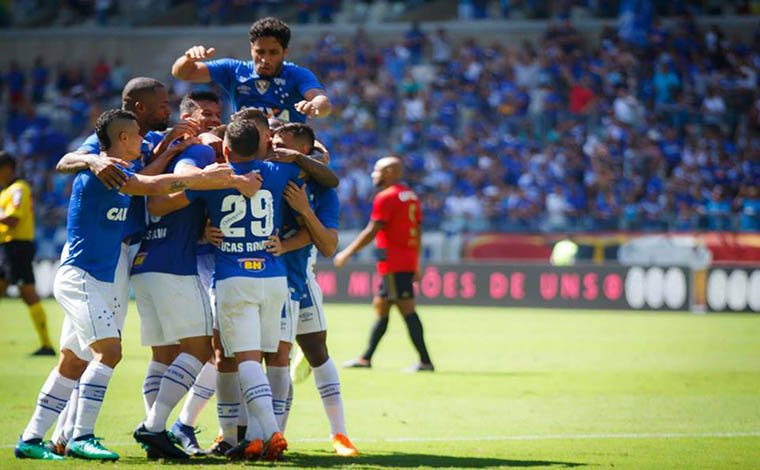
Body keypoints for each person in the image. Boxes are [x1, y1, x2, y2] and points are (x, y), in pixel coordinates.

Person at [14, 109, 235, 461]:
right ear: (122, 139)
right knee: (110, 352)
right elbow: (151, 186)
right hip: (82, 277)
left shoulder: (119, 170)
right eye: (137, 136)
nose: (142, 141)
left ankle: (30, 437)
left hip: (99, 279)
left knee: (73, 361)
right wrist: (205, 179)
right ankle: (80, 436)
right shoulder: (107, 171)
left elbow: (144, 177)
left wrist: (166, 151)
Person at [47, 76, 198, 456]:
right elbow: (66, 161)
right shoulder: (111, 140)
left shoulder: (143, 142)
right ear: (139, 108)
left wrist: (165, 148)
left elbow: (140, 180)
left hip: (122, 252)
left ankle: (59, 435)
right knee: (95, 348)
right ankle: (73, 434)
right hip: (102, 256)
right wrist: (93, 159)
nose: (169, 109)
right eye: (163, 104)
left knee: (84, 348)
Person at [131, 94, 262, 459]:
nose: (212, 120)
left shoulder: (165, 148)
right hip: (178, 263)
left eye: (218, 114)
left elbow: (157, 198)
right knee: (205, 349)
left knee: (165, 353)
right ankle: (160, 426)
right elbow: (166, 196)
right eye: (206, 113)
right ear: (187, 117)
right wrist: (230, 181)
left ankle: (157, 432)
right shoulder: (200, 153)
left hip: (147, 259)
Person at [267, 123, 359, 456]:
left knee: (316, 350)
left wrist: (303, 212)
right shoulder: (266, 175)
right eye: (272, 141)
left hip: (301, 279)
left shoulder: (322, 189)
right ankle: (271, 434)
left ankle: (340, 435)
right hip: (268, 278)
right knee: (274, 359)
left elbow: (328, 242)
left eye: (282, 143)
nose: (274, 146)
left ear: (301, 151)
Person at [335, 157, 433, 373]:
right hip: (403, 262)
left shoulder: (386, 197)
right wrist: (416, 263)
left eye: (377, 170)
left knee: (406, 310)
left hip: (394, 264)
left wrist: (347, 253)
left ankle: (425, 362)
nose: (373, 174)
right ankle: (366, 358)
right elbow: (417, 232)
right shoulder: (411, 196)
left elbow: (373, 229)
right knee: (382, 305)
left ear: (389, 172)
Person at [171, 16, 331, 122]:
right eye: (260, 52)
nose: (265, 59)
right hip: (245, 151)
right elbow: (182, 73)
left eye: (273, 52)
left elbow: (322, 102)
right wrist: (188, 59)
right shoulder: (233, 70)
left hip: (285, 153)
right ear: (251, 49)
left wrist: (314, 106)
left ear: (285, 52)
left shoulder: (298, 74)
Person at [0, 152, 54, 356]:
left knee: (29, 294)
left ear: (7, 169)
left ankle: (47, 345)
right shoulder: (7, 190)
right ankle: (46, 344)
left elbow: (13, 219)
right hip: (7, 248)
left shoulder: (18, 189)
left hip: (17, 248)